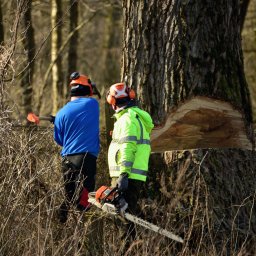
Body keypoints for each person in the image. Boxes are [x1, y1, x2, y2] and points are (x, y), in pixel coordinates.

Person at [106, 82, 154, 247]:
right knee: (128, 219)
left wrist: (123, 174)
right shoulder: (133, 117)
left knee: (124, 223)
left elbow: (128, 147)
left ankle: (126, 250)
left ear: (113, 102)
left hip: (128, 175)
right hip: (132, 175)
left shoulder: (127, 119)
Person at [54, 72, 100, 223]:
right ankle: (84, 231)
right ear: (88, 90)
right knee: (86, 200)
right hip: (87, 158)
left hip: (67, 159)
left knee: (70, 196)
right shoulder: (93, 105)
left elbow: (59, 140)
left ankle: (60, 225)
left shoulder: (61, 113)